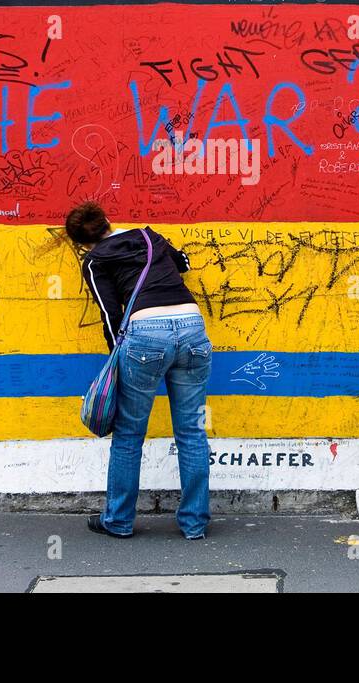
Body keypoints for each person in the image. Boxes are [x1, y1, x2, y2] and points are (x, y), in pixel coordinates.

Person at [66, 201, 212, 540]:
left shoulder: (95, 260)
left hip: (146, 335)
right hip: (192, 327)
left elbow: (109, 314)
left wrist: (116, 357)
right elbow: (184, 264)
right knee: (191, 432)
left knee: (130, 435)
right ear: (107, 220)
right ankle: (194, 524)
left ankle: (118, 520)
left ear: (81, 243)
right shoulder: (149, 237)